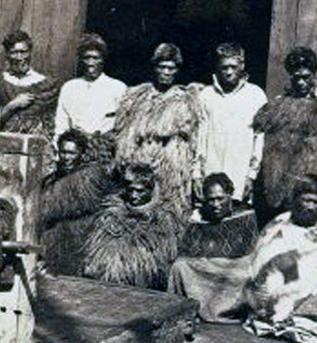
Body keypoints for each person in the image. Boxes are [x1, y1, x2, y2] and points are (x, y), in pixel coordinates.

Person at [241, 175, 317, 343]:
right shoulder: (280, 223)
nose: (311, 207)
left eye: (315, 202)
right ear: (296, 200)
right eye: (306, 201)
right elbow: (262, 256)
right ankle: (275, 317)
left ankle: (303, 319)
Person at [113, 42, 206, 223]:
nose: (166, 72)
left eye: (171, 68)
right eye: (162, 67)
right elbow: (126, 134)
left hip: (171, 169)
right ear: (155, 68)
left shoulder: (185, 100)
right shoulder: (138, 97)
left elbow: (193, 140)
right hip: (140, 166)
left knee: (167, 216)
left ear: (177, 70)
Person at [252, 47, 317, 220]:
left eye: (305, 77)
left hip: (313, 179)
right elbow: (260, 136)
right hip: (282, 181)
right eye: (296, 77)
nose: (301, 82)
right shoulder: (278, 106)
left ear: (314, 75)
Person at [169, 172, 260, 322]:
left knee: (249, 273)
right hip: (207, 266)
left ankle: (233, 313)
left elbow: (251, 250)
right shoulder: (198, 217)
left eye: (220, 198)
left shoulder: (246, 214)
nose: (216, 205)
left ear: (230, 195)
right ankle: (182, 311)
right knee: (179, 266)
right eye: (211, 200)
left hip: (236, 265)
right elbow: (188, 249)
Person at [80, 162, 179, 290]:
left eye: (140, 191)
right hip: (110, 277)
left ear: (150, 190)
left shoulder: (162, 217)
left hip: (143, 281)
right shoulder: (112, 213)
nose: (133, 196)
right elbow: (98, 248)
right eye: (130, 190)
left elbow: (161, 255)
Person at [40, 129, 119, 276]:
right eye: (63, 152)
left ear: (82, 155)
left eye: (71, 153)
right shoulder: (51, 180)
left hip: (81, 242)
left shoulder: (89, 178)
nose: (66, 158)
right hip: (53, 244)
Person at [198, 42, 267, 203]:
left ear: (242, 66)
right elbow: (199, 138)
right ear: (217, 67)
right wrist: (197, 174)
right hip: (211, 177)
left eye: (233, 67)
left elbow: (260, 138)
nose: (229, 72)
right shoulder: (206, 96)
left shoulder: (256, 95)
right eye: (224, 67)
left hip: (240, 177)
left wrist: (251, 176)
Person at [0, 30, 59, 135]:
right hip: (1, 142)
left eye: (23, 52)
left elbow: (53, 123)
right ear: (7, 54)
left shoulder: (48, 85)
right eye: (14, 52)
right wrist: (11, 106)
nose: (19, 57)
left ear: (30, 52)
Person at [53, 33, 127, 147]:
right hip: (74, 151)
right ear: (81, 60)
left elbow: (123, 127)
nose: (91, 63)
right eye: (87, 58)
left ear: (103, 60)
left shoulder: (117, 88)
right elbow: (61, 125)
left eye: (95, 58)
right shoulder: (70, 88)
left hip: (104, 150)